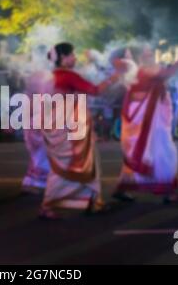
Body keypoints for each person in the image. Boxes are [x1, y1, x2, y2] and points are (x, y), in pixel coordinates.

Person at [39, 43, 122, 219]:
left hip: (60, 129)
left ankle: (91, 201)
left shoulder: (51, 77)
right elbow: (95, 90)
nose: (75, 58)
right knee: (80, 165)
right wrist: (114, 77)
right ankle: (52, 204)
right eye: (72, 55)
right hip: (70, 131)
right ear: (63, 58)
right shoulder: (68, 76)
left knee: (67, 168)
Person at [112, 40, 178, 205]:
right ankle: (168, 192)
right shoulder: (143, 72)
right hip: (148, 121)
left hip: (147, 119)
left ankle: (123, 188)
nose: (150, 55)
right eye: (146, 53)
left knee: (142, 154)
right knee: (163, 152)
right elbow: (167, 73)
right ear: (139, 58)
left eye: (150, 52)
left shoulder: (138, 71)